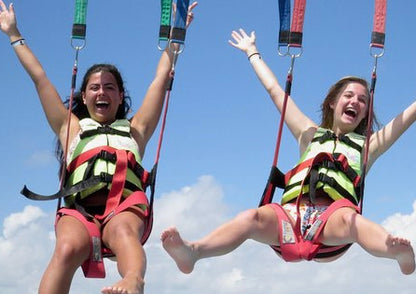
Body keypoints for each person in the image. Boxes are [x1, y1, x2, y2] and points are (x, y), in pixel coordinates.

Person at [0, 0, 197, 294]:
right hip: (80, 209)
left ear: (121, 95)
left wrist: (175, 38)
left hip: (125, 205)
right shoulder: (70, 128)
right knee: (68, 246)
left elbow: (161, 81)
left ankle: (134, 280)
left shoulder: (136, 128)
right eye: (94, 87)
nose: (101, 91)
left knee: (125, 229)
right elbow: (40, 79)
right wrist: (13, 34)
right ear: (84, 96)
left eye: (109, 86)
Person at [161, 28, 415, 276]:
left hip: (331, 228)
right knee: (251, 217)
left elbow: (405, 120)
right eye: (349, 95)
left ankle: (394, 251)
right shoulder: (309, 134)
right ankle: (194, 251)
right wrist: (252, 53)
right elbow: (275, 92)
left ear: (365, 113)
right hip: (290, 221)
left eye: (362, 100)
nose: (356, 102)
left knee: (353, 221)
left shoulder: (368, 146)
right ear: (333, 103)